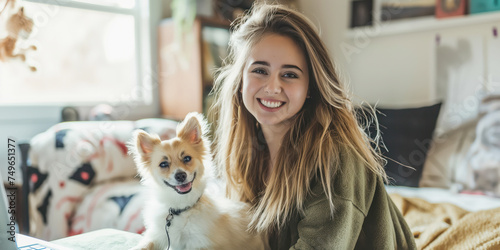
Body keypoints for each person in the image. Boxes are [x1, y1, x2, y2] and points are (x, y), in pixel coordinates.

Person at [210, 3, 417, 249]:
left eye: (290, 74)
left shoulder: (336, 155)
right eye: (260, 70)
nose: (273, 87)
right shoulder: (249, 152)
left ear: (310, 88)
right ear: (241, 81)